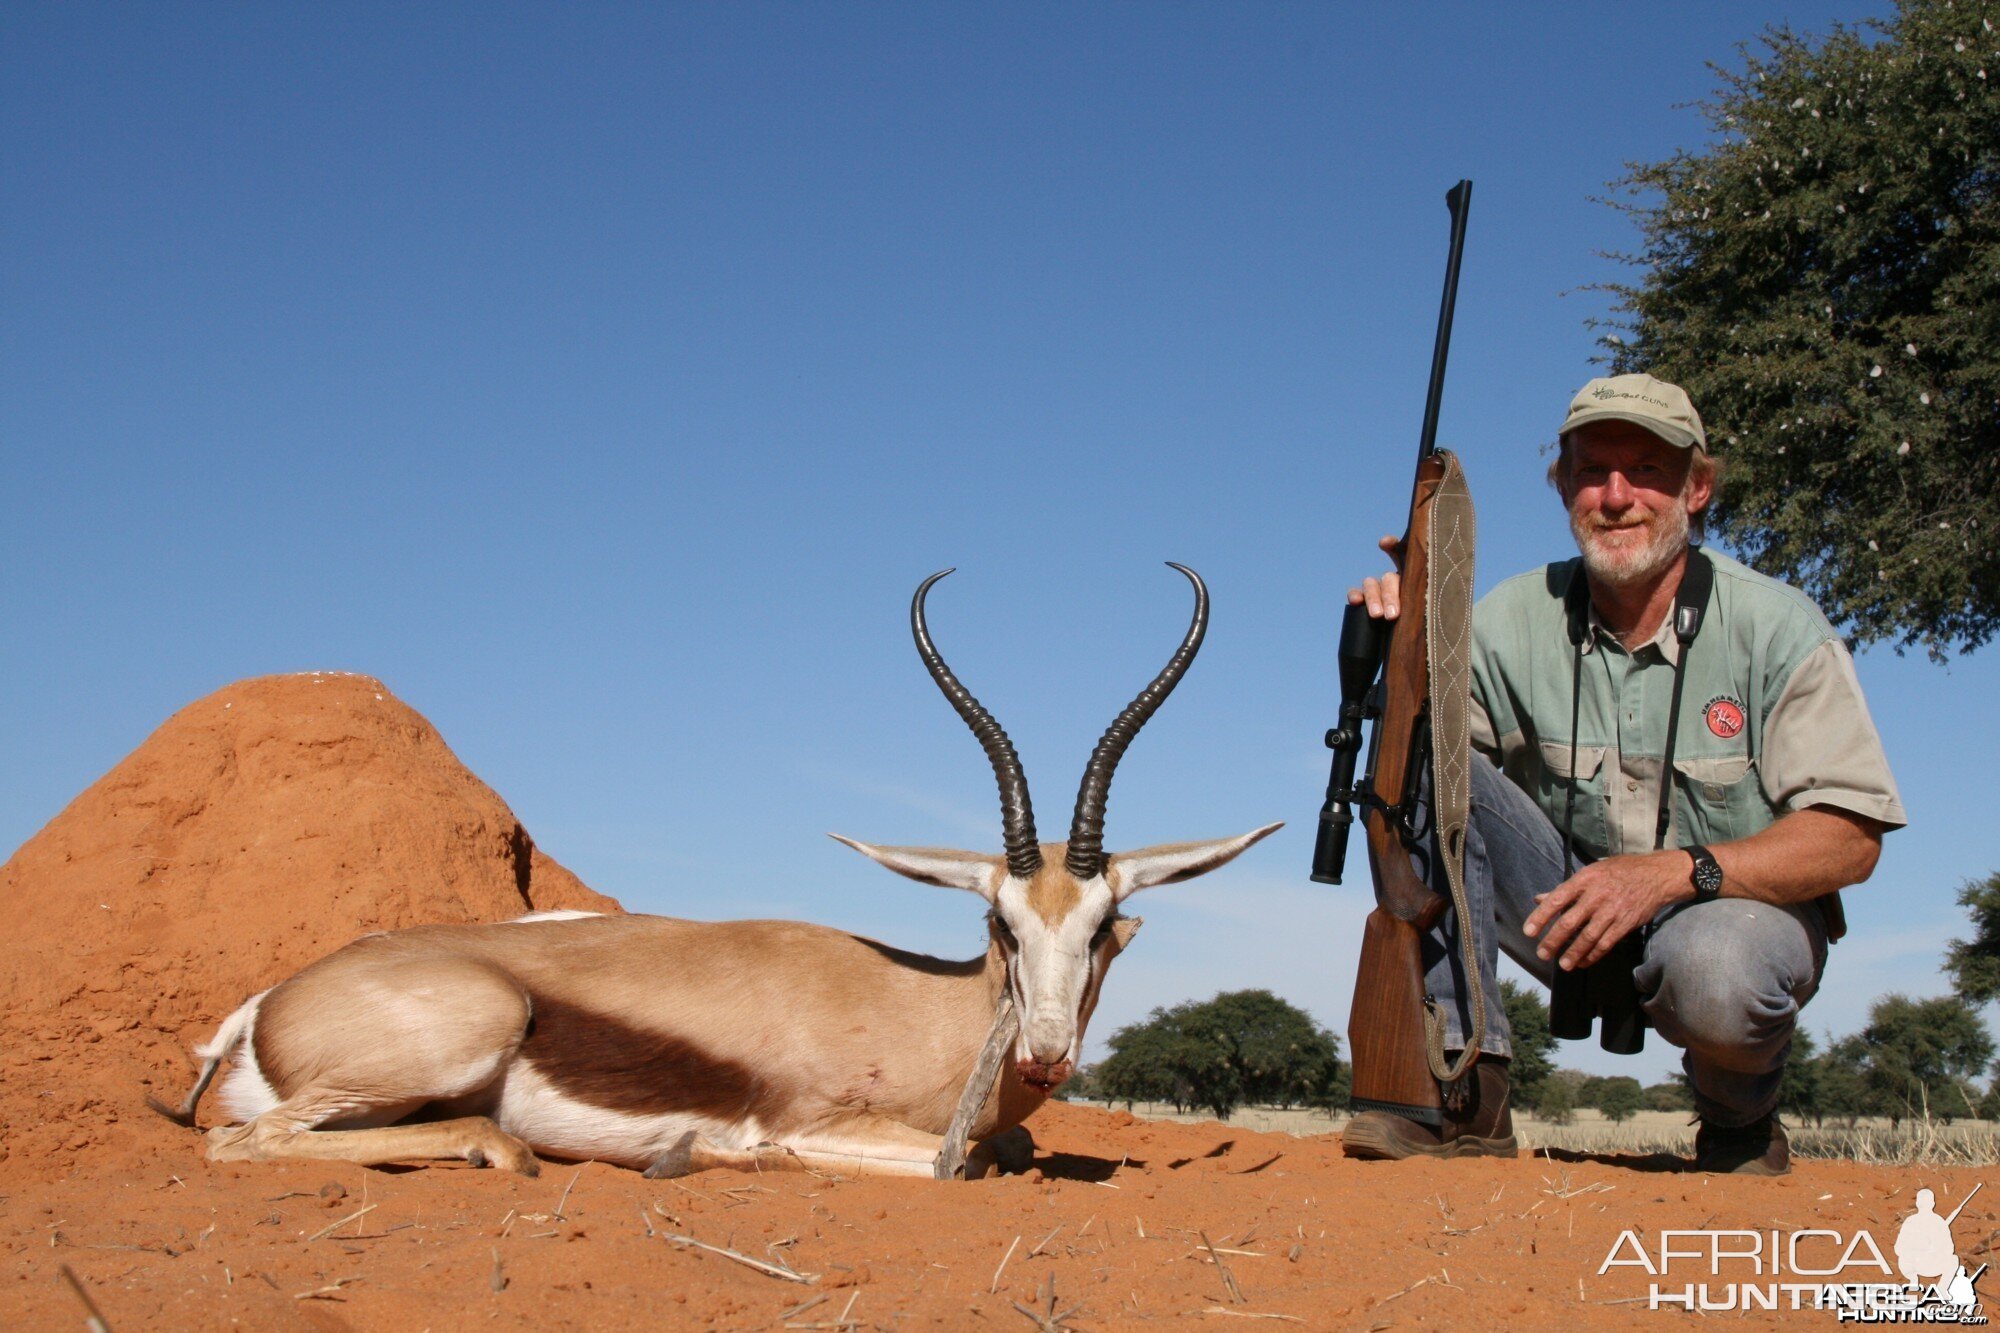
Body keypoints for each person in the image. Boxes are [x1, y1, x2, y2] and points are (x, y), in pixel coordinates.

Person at [1341, 373, 1905, 1174]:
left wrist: (1671, 875)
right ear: (1563, 485)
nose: (1616, 495)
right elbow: (1434, 784)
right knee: (1423, 760)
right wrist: (1414, 646)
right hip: (1567, 903)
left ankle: (1737, 1118)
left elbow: (1850, 839)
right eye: (1593, 470)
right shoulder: (1506, 615)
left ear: (1697, 487)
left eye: (1646, 469)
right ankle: (1465, 1083)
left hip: (1721, 909)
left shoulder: (1779, 626)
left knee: (1716, 969)